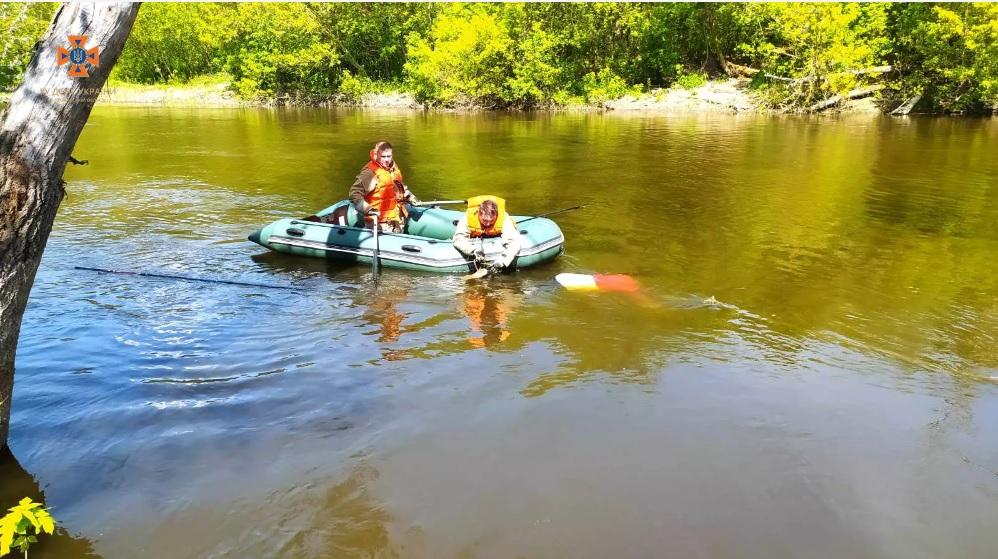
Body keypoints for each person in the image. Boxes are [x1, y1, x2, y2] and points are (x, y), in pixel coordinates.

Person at [349, 141, 420, 233]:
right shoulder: (370, 173)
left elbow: (400, 187)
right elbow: (354, 193)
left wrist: (410, 197)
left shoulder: (393, 169)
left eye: (389, 156)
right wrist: (368, 210)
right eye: (383, 157)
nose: (387, 160)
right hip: (379, 223)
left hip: (397, 219)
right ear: (376, 155)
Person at [452, 195, 523, 274]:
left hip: (497, 239)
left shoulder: (504, 219)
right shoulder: (467, 218)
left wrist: (502, 262)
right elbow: (458, 239)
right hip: (474, 242)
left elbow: (515, 243)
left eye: (491, 220)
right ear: (479, 214)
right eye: (485, 220)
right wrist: (473, 250)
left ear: (496, 215)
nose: (488, 224)